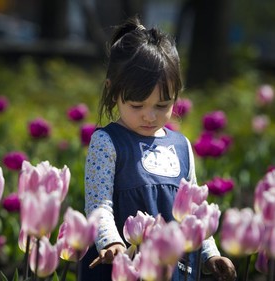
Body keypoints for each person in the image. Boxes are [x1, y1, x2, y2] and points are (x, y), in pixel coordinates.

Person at [79, 15, 236, 281]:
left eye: (162, 105)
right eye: (137, 106)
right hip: (121, 266)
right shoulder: (108, 142)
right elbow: (98, 204)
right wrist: (111, 242)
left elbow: (194, 212)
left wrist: (210, 254)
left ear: (177, 94)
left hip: (173, 270)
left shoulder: (182, 147)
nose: (150, 116)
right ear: (113, 91)